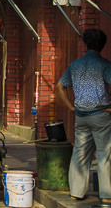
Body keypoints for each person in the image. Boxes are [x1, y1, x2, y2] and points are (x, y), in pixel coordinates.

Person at [56, 29, 111, 204]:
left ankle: (76, 192)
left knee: (80, 152)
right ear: (102, 45)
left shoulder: (75, 65)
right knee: (104, 154)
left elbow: (60, 86)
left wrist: (71, 106)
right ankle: (106, 195)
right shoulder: (104, 64)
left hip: (81, 116)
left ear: (86, 44)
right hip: (101, 114)